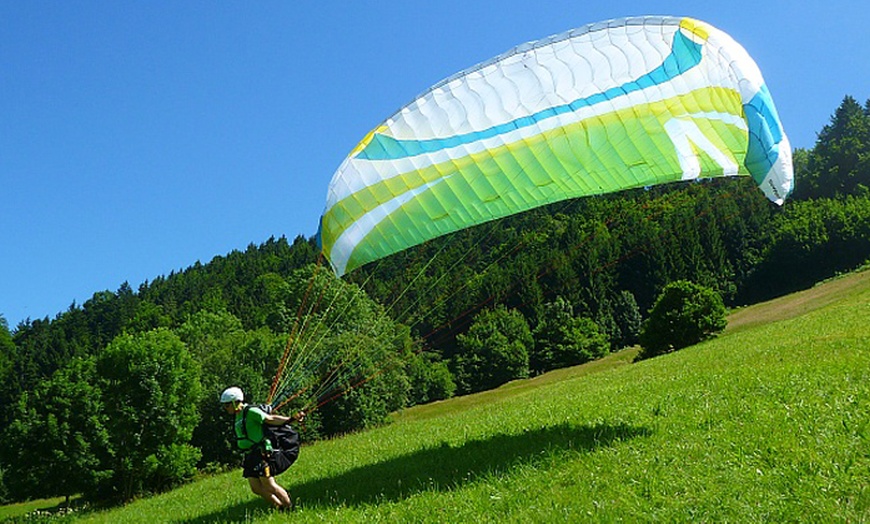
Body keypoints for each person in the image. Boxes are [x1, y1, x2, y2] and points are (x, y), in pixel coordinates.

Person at [220, 386, 303, 510]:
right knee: (256, 488)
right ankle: (279, 508)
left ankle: (290, 507)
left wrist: (290, 420)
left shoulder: (251, 411)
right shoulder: (238, 416)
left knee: (269, 485)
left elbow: (270, 419)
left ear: (235, 402)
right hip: (250, 455)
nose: (225, 408)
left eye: (227, 405)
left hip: (261, 454)